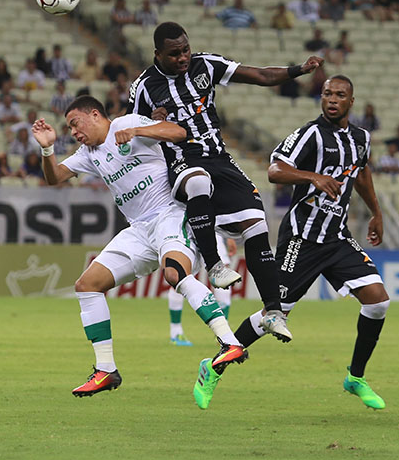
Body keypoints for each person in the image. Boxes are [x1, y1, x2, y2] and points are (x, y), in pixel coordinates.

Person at [32, 95, 248, 397]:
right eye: (69, 128)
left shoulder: (128, 123)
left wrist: (139, 132)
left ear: (95, 115)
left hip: (170, 215)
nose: (74, 132)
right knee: (87, 285)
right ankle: (105, 369)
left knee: (174, 274)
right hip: (138, 230)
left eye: (75, 124)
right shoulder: (88, 153)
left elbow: (178, 132)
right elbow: (54, 177)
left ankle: (230, 343)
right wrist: (46, 148)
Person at [198, 75, 390, 411]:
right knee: (275, 313)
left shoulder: (361, 138)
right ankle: (214, 366)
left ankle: (355, 377)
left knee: (378, 302)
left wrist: (376, 212)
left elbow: (361, 172)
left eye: (340, 95)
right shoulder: (310, 134)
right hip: (302, 238)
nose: (332, 99)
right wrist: (312, 176)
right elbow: (275, 170)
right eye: (327, 93)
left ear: (351, 101)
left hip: (337, 236)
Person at [128, 22, 319, 343]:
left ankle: (272, 311)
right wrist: (151, 124)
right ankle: (215, 265)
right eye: (174, 54)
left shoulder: (206, 65)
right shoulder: (144, 87)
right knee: (198, 181)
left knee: (257, 223)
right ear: (157, 54)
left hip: (219, 158)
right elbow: (129, 133)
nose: (183, 57)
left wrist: (297, 69)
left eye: (186, 49)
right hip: (181, 161)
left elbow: (259, 76)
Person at [168, 233, 235, 346]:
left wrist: (228, 236)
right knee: (180, 274)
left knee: (181, 274)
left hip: (197, 230)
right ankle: (224, 334)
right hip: (192, 230)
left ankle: (223, 333)